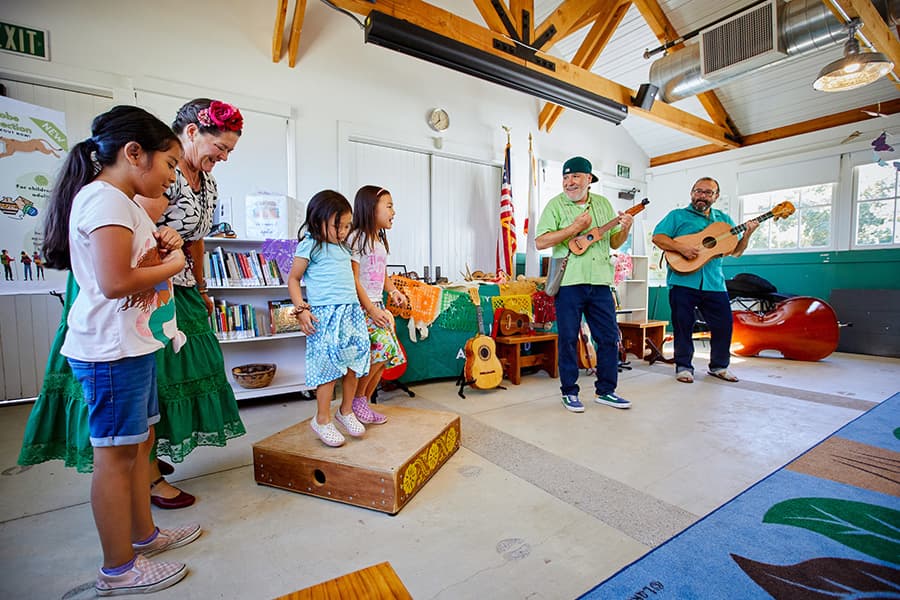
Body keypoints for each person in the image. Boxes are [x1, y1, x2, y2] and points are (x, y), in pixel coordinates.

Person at [39, 105, 200, 595]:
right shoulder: (104, 200)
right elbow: (115, 282)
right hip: (108, 352)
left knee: (138, 448)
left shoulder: (125, 202)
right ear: (135, 154)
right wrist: (173, 266)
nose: (174, 176)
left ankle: (142, 535)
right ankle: (118, 568)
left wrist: (166, 240)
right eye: (169, 163)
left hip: (132, 345)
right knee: (115, 457)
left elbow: (139, 257)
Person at [148, 98, 247, 508]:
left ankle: (150, 456)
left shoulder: (208, 182)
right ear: (192, 132)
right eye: (219, 148)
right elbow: (139, 233)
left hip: (184, 284)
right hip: (153, 289)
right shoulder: (160, 173)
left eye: (228, 152)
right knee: (159, 376)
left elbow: (197, 238)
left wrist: (204, 289)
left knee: (194, 366)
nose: (222, 158)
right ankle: (147, 475)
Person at [535, 156, 633, 413]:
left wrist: (625, 229)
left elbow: (613, 242)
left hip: (601, 281)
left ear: (589, 179)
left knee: (609, 337)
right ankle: (569, 392)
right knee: (567, 338)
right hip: (569, 283)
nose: (569, 182)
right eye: (566, 178)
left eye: (575, 177)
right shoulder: (555, 206)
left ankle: (607, 391)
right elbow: (541, 242)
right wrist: (573, 228)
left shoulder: (602, 204)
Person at [651, 177, 757, 384]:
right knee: (683, 325)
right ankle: (683, 367)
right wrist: (682, 248)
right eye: (698, 191)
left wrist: (747, 235)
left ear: (716, 196)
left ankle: (719, 366)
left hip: (714, 282)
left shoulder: (724, 221)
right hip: (683, 281)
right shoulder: (677, 216)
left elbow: (735, 252)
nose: (702, 196)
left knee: (724, 325)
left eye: (708, 192)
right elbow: (658, 237)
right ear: (692, 193)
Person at [288, 190, 371, 447]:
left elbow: (353, 281)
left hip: (351, 313)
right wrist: (301, 309)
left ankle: (345, 411)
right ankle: (322, 419)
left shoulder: (344, 248)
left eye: (347, 226)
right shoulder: (310, 244)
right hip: (324, 316)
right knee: (327, 370)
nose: (344, 231)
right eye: (339, 226)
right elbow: (293, 279)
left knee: (354, 363)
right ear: (318, 220)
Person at [348, 185, 407, 424]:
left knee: (387, 354)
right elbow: (353, 279)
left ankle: (363, 400)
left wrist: (393, 291)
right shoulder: (356, 238)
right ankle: (356, 400)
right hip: (362, 308)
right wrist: (371, 309)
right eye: (389, 205)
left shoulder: (379, 241)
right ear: (372, 208)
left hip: (377, 305)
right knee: (379, 350)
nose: (394, 211)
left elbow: (380, 274)